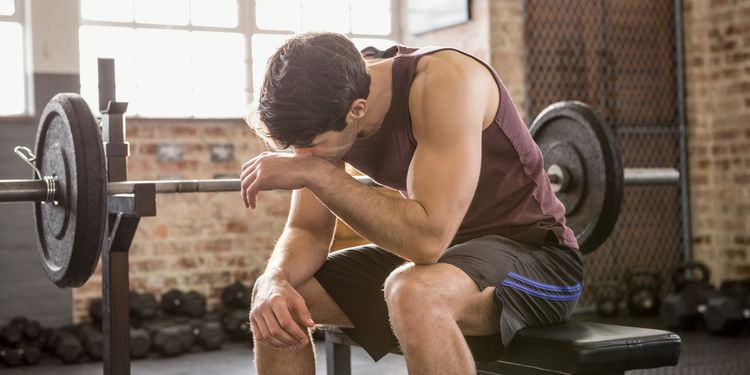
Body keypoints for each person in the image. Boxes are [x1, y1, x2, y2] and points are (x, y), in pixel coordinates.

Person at [241, 32, 583, 375]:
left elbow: (426, 243)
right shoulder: (330, 94)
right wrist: (274, 278)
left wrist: (319, 174)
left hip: (539, 259)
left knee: (413, 293)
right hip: (451, 260)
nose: (302, 158)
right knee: (276, 303)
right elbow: (308, 228)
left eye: (311, 147)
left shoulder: (446, 82)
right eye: (296, 151)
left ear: (357, 109)